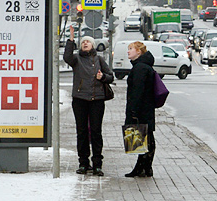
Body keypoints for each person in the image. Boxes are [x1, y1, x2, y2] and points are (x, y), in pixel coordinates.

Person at [63, 23, 114, 176]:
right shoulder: (76, 59)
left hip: (96, 99)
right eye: (83, 42)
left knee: (96, 131)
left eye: (88, 41)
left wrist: (102, 77)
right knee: (82, 131)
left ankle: (97, 163)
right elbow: (66, 57)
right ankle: (83, 163)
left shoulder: (98, 59)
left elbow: (111, 76)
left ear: (92, 45)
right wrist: (71, 39)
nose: (85, 43)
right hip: (79, 99)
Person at [124, 40, 157, 178]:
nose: (128, 51)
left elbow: (137, 91)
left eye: (131, 49)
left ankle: (143, 168)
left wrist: (133, 112)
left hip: (141, 110)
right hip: (146, 109)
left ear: (139, 52)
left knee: (144, 138)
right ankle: (144, 167)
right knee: (146, 137)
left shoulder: (140, 68)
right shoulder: (143, 66)